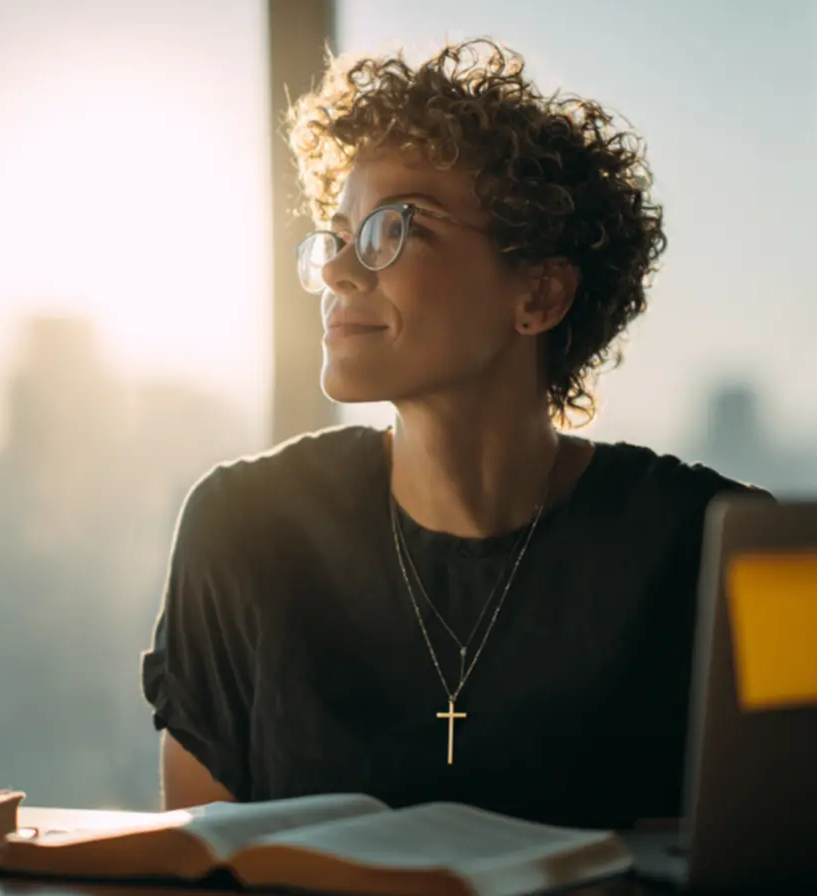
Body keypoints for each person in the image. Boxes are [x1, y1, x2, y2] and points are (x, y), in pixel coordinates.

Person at [140, 38, 766, 830]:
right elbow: (195, 870)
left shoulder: (719, 546)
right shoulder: (241, 527)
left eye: (393, 228)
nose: (337, 271)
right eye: (338, 235)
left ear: (538, 293)